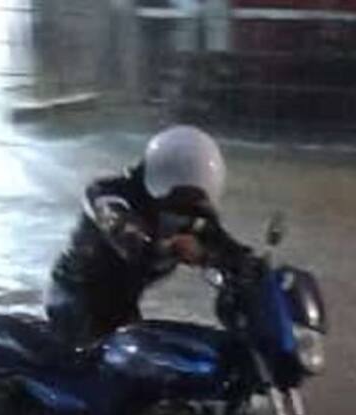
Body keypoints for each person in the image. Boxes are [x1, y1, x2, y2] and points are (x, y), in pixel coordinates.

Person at [46, 125, 235, 345]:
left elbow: (223, 246)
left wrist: (253, 270)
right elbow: (132, 243)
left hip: (122, 305)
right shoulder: (109, 196)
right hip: (76, 303)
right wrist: (177, 247)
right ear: (160, 170)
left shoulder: (191, 213)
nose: (185, 197)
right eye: (180, 181)